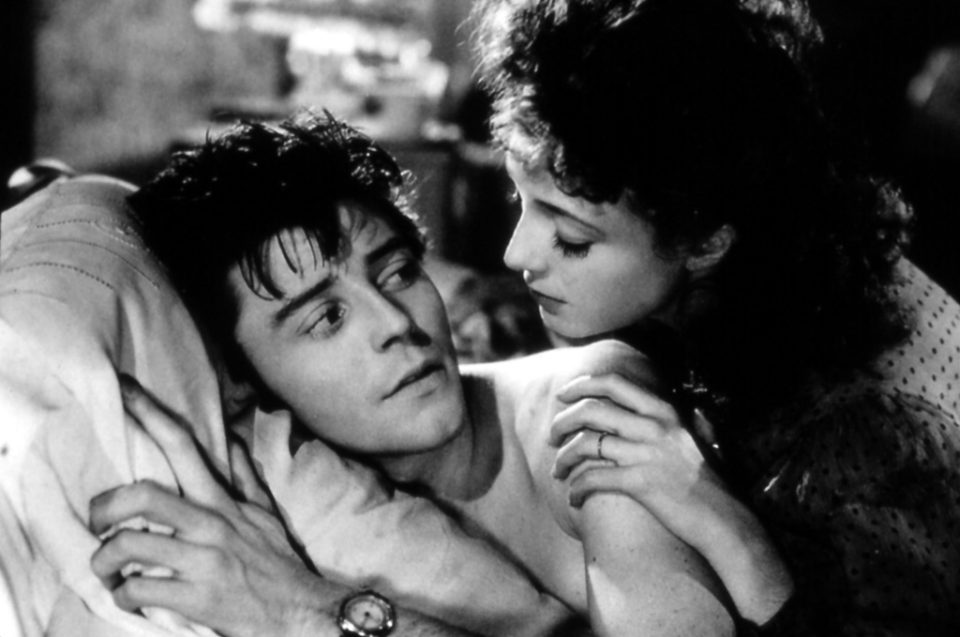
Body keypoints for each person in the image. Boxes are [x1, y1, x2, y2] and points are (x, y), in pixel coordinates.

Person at [89, 112, 735, 637]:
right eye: (326, 317)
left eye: (397, 272)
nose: (396, 323)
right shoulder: (309, 503)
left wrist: (303, 611)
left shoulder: (585, 407)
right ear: (243, 379)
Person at [472, 0, 960, 634]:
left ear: (707, 243)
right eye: (519, 196)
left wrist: (718, 515)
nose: (516, 254)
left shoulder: (864, 429)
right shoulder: (764, 259)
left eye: (572, 239)